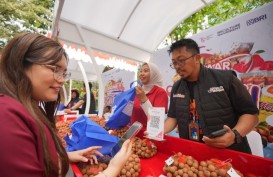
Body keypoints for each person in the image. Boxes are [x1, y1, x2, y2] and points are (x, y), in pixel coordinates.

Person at [0, 33, 132, 177]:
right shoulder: (7, 117)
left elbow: (34, 155)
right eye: (55, 69)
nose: (62, 80)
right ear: (21, 65)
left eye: (64, 73)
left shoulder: (26, 107)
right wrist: (112, 170)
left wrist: (66, 157)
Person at [164, 38, 259, 153]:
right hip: (191, 155)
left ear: (197, 58)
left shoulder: (225, 79)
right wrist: (157, 131)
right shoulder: (177, 87)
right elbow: (172, 118)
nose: (177, 66)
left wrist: (234, 135)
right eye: (174, 63)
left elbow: (251, 114)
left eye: (182, 60)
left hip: (229, 153)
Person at [131, 62, 169, 130]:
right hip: (133, 133)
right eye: (141, 71)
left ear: (154, 74)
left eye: (145, 71)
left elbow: (157, 120)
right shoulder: (139, 90)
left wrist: (143, 99)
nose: (141, 74)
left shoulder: (160, 92)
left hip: (148, 135)